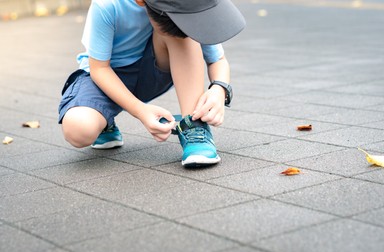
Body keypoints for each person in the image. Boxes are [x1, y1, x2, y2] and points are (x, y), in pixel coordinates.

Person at [58, 0, 245, 167]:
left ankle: (194, 126)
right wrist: (140, 110)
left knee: (180, 32)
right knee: (78, 129)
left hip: (152, 70)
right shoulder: (107, 5)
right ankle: (104, 120)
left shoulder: (188, 5)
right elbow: (99, 69)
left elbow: (217, 60)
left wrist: (219, 89)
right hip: (104, 79)